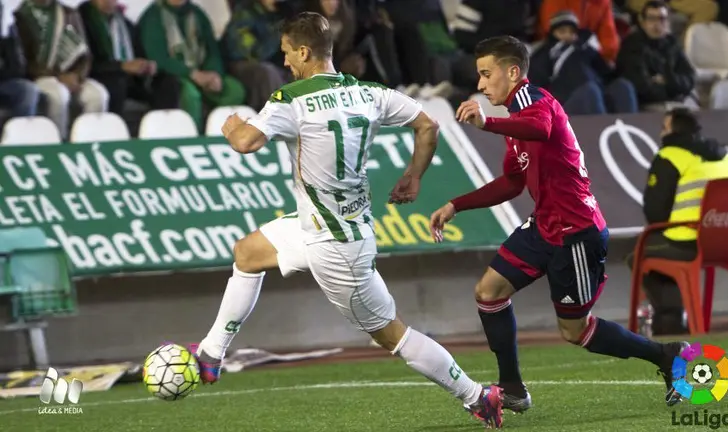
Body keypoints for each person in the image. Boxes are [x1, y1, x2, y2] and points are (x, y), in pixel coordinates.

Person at [191, 12, 504, 428]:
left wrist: (233, 126)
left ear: (304, 52)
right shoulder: (368, 93)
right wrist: (413, 176)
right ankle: (212, 354)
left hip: (338, 250)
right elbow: (428, 125)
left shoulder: (292, 100)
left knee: (394, 336)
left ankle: (478, 396)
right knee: (248, 253)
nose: (284, 63)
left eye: (287, 53)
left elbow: (247, 142)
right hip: (324, 226)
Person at [428, 35, 689, 416]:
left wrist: (487, 123)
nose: (481, 85)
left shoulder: (537, 103)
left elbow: (542, 129)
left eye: (486, 74)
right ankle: (513, 388)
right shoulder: (517, 120)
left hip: (576, 233)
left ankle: (667, 355)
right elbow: (513, 182)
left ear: (513, 72)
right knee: (489, 291)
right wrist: (456, 204)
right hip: (543, 225)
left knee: (575, 331)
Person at [628, 107, 728, 336]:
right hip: (726, 243)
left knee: (638, 255)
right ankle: (675, 318)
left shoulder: (670, 155)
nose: (660, 133)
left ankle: (672, 318)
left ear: (673, 130)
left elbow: (655, 212)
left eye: (663, 127)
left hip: (684, 242)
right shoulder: (726, 156)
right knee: (657, 252)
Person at [138, 0, 246, 131]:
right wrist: (192, 74)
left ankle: (224, 134)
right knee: (190, 95)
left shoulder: (197, 13)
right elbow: (158, 59)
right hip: (172, 77)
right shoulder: (153, 16)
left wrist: (214, 73)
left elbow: (212, 50)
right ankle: (194, 136)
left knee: (234, 90)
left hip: (202, 73)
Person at [14, 0, 110, 139]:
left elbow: (85, 54)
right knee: (59, 95)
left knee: (98, 95)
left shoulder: (68, 13)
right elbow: (24, 62)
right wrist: (59, 77)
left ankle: (90, 144)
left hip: (73, 76)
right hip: (41, 76)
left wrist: (77, 75)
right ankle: (59, 144)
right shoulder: (20, 16)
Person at [79, 0, 180, 115]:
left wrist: (146, 65)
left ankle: (163, 130)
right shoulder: (83, 18)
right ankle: (116, 130)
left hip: (131, 79)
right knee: (117, 82)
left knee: (168, 82)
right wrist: (121, 66)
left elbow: (139, 54)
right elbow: (88, 64)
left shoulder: (125, 23)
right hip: (102, 77)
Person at [616, 1, 696, 109]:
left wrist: (666, 79)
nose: (657, 24)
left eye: (661, 19)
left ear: (667, 22)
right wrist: (673, 87)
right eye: (651, 19)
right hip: (647, 106)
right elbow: (642, 87)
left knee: (694, 109)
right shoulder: (632, 45)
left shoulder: (672, 43)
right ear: (643, 22)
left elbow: (690, 78)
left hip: (675, 100)